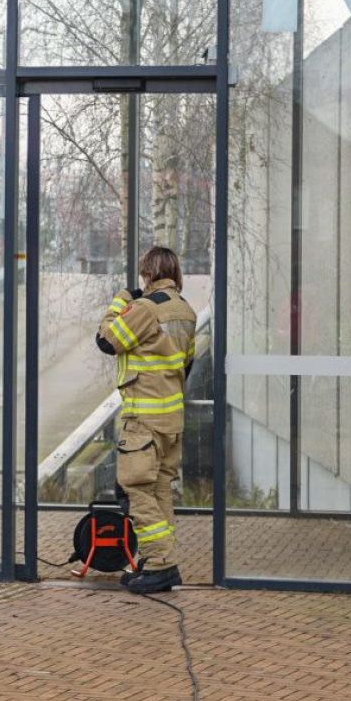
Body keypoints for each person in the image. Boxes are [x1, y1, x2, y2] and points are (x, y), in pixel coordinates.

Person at [97, 246, 199, 594]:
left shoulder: (145, 308)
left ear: (148, 273)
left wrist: (119, 303)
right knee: (159, 490)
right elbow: (187, 364)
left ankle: (161, 564)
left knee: (135, 488)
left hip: (144, 418)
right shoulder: (185, 311)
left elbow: (107, 340)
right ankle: (160, 561)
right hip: (172, 419)